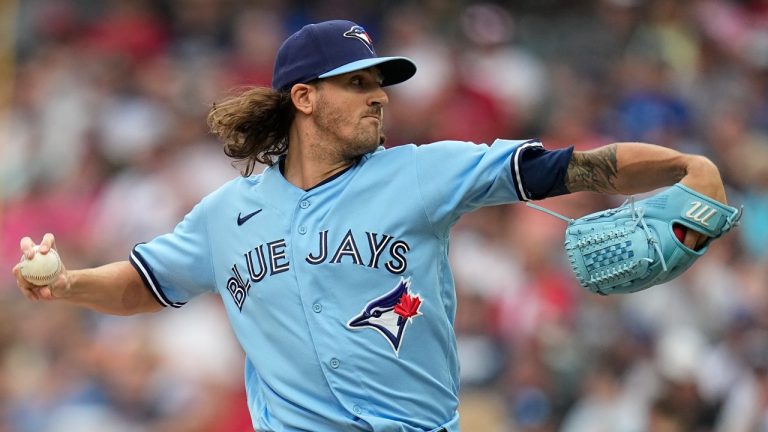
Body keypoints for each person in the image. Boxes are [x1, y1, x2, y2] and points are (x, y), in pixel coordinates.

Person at [13, 19, 730, 432]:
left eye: (378, 82)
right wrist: (67, 283)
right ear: (303, 98)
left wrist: (683, 166)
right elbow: (145, 283)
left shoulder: (422, 171)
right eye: (357, 82)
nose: (378, 96)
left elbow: (569, 166)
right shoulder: (225, 214)